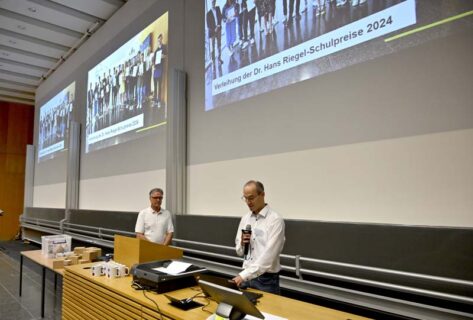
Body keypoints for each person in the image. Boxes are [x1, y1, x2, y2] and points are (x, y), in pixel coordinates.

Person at [232, 180, 285, 294]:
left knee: (268, 312)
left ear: (262, 194)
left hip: (266, 280)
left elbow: (269, 256)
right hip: (247, 275)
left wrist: (243, 276)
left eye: (251, 198)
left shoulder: (275, 220)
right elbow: (240, 252)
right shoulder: (245, 219)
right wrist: (241, 243)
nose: (248, 202)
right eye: (245, 198)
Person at [206, 0, 224, 65]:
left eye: (214, 2)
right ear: (210, 3)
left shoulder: (218, 8)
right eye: (212, 2)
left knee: (219, 45)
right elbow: (208, 25)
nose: (213, 3)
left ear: (215, 2)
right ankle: (213, 61)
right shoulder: (208, 13)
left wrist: (218, 25)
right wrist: (214, 29)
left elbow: (220, 17)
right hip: (212, 32)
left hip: (219, 29)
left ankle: (219, 59)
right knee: (212, 47)